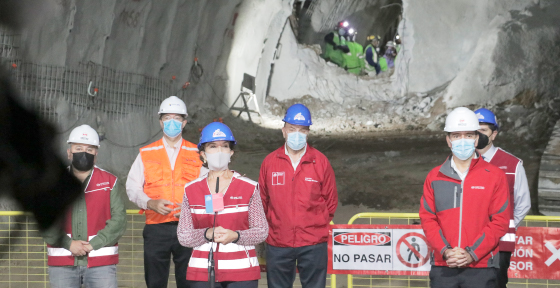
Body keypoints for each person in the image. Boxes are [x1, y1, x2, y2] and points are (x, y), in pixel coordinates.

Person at [419, 107, 511, 288]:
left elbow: (500, 221)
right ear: (448, 140)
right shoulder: (434, 177)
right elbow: (428, 219)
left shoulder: (494, 176)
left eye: (468, 135)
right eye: (456, 135)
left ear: (477, 138)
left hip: (481, 267)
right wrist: (446, 251)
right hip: (444, 266)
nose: (462, 140)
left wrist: (472, 253)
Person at [177, 122, 268, 287]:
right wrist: (206, 233)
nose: (219, 151)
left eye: (224, 146)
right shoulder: (191, 189)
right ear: (203, 154)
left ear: (231, 152)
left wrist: (237, 236)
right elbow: (183, 235)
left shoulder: (249, 187)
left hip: (241, 271)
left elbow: (261, 231)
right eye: (213, 146)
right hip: (202, 272)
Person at [126, 96, 204, 288]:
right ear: (160, 122)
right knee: (155, 282)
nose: (172, 123)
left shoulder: (197, 153)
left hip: (188, 227)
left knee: (189, 282)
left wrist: (190, 209)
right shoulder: (147, 153)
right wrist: (149, 203)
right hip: (156, 228)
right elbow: (132, 186)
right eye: (167, 118)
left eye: (177, 118)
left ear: (184, 123)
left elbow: (208, 191)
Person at [259, 104, 338, 288]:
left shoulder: (320, 162)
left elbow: (331, 202)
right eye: (292, 129)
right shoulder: (270, 163)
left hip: (312, 243)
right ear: (283, 131)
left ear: (308, 132)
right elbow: (262, 200)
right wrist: (272, 228)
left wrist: (315, 227)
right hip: (278, 242)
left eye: (302, 130)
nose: (297, 134)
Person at [43, 125, 127, 288]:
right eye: (78, 148)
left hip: (100, 263)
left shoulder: (110, 182)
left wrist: (93, 244)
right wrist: (69, 244)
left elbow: (120, 219)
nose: (84, 153)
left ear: (96, 155)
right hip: (63, 264)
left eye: (90, 149)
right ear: (69, 152)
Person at [474, 108, 531, 288]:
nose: (477, 135)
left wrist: (503, 227)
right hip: (468, 241)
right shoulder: (461, 163)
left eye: (483, 131)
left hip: (500, 245)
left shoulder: (512, 165)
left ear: (494, 134)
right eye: (474, 131)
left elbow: (523, 204)